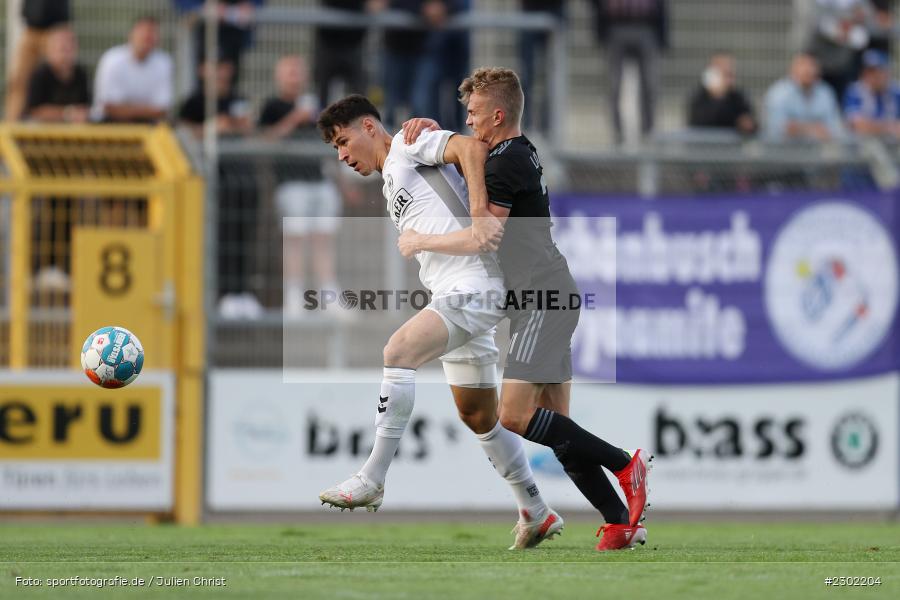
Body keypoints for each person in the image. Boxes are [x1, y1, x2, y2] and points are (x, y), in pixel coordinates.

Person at [400, 67, 650, 551]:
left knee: (513, 416)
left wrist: (419, 240)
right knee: (561, 431)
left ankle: (625, 464)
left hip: (541, 299)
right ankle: (621, 522)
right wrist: (435, 138)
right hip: (550, 294)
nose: (468, 122)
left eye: (473, 114)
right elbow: (476, 187)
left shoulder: (504, 162)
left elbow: (484, 235)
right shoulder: (514, 152)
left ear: (497, 115)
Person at [315, 95, 563, 549]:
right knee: (479, 416)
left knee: (398, 351)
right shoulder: (394, 171)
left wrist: (478, 212)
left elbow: (471, 148)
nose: (343, 155)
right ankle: (536, 509)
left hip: (474, 286)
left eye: (344, 141)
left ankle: (372, 477)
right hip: (453, 291)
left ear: (370, 127)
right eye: (335, 149)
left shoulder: (411, 144)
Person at [258, 55, 343, 317]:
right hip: (290, 183)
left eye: (298, 71)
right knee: (294, 239)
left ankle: (329, 296)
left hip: (319, 180)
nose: (294, 76)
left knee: (323, 239)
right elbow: (264, 140)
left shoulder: (316, 105)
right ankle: (294, 298)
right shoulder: (272, 106)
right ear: (279, 76)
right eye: (289, 72)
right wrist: (295, 118)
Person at [591, 0, 669, 144]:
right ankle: (617, 135)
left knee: (650, 85)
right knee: (613, 86)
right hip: (614, 25)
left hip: (647, 25)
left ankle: (648, 134)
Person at [92, 15, 173, 123]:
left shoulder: (164, 62)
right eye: (143, 33)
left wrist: (126, 109)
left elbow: (162, 109)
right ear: (131, 34)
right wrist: (146, 110)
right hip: (111, 124)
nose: (147, 37)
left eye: (152, 34)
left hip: (147, 124)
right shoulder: (112, 59)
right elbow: (109, 108)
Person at [4, 0, 71, 121]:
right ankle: (11, 126)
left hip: (56, 26)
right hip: (31, 27)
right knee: (18, 80)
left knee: (58, 77)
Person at [765, 53, 845, 142]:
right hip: (782, 151)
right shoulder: (779, 93)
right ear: (792, 70)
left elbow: (836, 128)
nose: (809, 70)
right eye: (803, 66)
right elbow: (778, 128)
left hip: (819, 151)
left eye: (812, 66)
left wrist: (799, 128)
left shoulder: (825, 92)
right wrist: (813, 129)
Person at [23, 26, 90, 124]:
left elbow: (85, 108)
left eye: (70, 49)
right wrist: (67, 114)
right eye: (62, 49)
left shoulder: (81, 74)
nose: (66, 55)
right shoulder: (40, 75)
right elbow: (34, 111)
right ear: (49, 51)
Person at [519, 0, 565, 133]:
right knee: (527, 73)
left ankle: (548, 123)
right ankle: (526, 122)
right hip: (528, 10)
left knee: (553, 73)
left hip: (555, 10)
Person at [314, 0, 370, 108]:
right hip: (329, 41)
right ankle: (321, 121)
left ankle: (359, 119)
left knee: (359, 93)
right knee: (323, 89)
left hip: (353, 42)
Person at [687, 53, 757, 135]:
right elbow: (697, 123)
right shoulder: (699, 96)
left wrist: (746, 124)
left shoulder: (738, 97)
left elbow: (751, 123)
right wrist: (717, 97)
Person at [844, 49, 900, 138]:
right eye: (870, 72)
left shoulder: (896, 91)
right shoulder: (855, 91)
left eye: (878, 71)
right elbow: (858, 126)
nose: (874, 76)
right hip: (865, 143)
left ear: (887, 72)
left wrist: (873, 126)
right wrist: (889, 127)